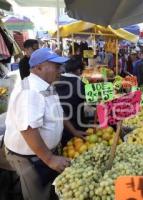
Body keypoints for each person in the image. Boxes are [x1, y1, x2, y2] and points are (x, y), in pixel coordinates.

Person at [4, 48, 85, 200]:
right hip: (29, 158)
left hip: (41, 154)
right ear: (39, 67)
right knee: (37, 195)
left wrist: (73, 130)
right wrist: (50, 159)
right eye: (56, 66)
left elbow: (57, 112)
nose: (60, 70)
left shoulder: (46, 85)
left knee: (47, 189)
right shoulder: (30, 91)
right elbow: (28, 129)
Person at [55, 57, 87, 146]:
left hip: (59, 123)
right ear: (78, 70)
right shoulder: (79, 83)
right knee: (77, 147)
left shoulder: (56, 79)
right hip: (76, 124)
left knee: (66, 148)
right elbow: (92, 99)